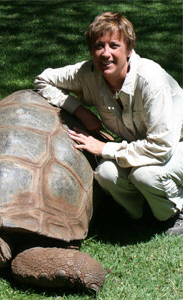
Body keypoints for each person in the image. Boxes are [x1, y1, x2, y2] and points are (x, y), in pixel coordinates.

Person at [34, 12, 183, 235]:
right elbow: (42, 80)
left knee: (146, 175)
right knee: (105, 173)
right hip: (142, 146)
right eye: (98, 46)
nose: (105, 54)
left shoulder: (152, 81)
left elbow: (161, 147)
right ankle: (140, 215)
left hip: (175, 146)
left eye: (114, 45)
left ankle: (175, 213)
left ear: (129, 49)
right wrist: (79, 110)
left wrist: (105, 148)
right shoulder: (89, 74)